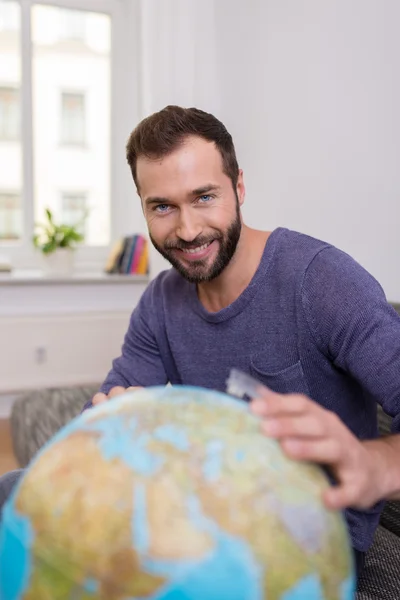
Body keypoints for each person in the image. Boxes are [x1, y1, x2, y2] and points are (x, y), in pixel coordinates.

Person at [1, 106, 400, 579]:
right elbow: (114, 403)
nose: (187, 230)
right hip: (198, 504)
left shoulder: (324, 282)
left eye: (204, 197)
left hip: (304, 533)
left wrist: (374, 465)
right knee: (14, 492)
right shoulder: (161, 301)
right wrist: (113, 421)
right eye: (163, 206)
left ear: (240, 187)